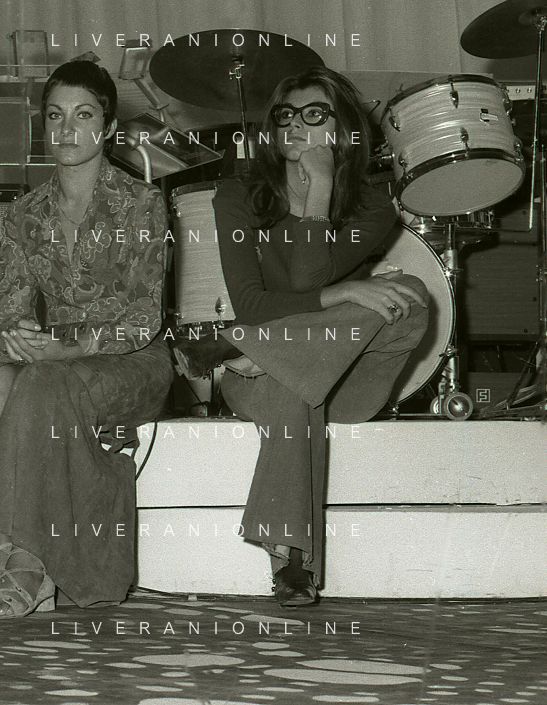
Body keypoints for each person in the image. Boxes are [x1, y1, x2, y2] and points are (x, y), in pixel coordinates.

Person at [0, 59, 173, 619]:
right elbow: (11, 307)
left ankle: (28, 566)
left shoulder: (143, 203)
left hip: (134, 361)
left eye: (83, 115)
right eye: (55, 116)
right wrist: (20, 336)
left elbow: (143, 319)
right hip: (56, 363)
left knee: (39, 383)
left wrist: (67, 348)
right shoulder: (24, 212)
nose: (66, 129)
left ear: (109, 128)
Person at [174, 66, 430, 606]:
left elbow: (303, 282)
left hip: (347, 380)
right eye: (285, 115)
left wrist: (324, 188)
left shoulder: (373, 206)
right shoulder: (237, 196)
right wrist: (345, 291)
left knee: (409, 296)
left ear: (343, 129)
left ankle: (245, 347)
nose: (295, 126)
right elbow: (253, 303)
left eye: (315, 115)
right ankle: (292, 563)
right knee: (293, 385)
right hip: (268, 381)